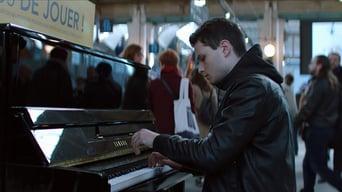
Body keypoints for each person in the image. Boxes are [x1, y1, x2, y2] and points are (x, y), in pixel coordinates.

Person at [131, 18, 296, 191]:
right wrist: (183, 163)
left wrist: (156, 139)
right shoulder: (250, 85)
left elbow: (212, 152)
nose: (200, 69)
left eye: (203, 58)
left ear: (224, 48)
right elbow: (230, 156)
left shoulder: (253, 88)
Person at [294, 55, 342, 191]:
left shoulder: (321, 84)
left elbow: (308, 109)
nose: (309, 66)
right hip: (325, 129)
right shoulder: (331, 82)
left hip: (318, 131)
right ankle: (308, 189)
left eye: (312, 63)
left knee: (320, 167)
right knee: (308, 163)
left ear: (319, 66)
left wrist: (294, 124)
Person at [147, 48, 196, 135]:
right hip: (181, 131)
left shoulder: (154, 84)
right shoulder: (185, 83)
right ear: (176, 63)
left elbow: (150, 107)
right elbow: (192, 109)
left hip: (160, 130)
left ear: (162, 63)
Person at [190, 68, 218, 138]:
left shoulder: (193, 88)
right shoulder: (212, 90)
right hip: (207, 121)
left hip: (196, 120)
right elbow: (215, 106)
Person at [122, 44, 149, 109]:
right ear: (131, 55)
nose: (141, 57)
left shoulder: (141, 72)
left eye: (141, 55)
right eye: (139, 55)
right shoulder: (123, 68)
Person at [329, 52, 342, 177]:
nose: (332, 62)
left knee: (338, 146)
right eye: (330, 59)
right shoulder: (323, 75)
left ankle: (336, 172)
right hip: (326, 116)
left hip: (338, 117)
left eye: (335, 59)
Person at [282, 73, 299, 155]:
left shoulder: (285, 88)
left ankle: (293, 150)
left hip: (290, 114)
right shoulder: (286, 88)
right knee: (293, 134)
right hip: (292, 113)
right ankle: (294, 150)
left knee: (291, 134)